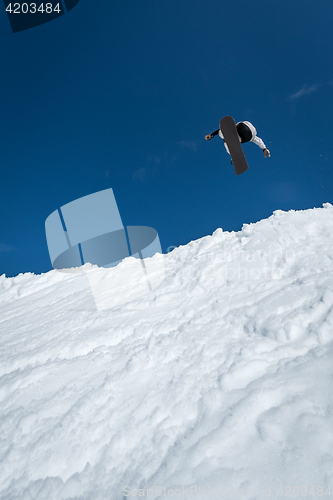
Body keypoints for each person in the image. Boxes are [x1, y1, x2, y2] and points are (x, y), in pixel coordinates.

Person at [205, 121, 270, 159]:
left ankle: (236, 155)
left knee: (226, 141)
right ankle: (236, 154)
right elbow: (258, 140)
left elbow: (220, 131)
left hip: (243, 131)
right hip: (247, 131)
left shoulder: (226, 133)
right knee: (225, 137)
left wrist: (211, 135)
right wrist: (264, 148)